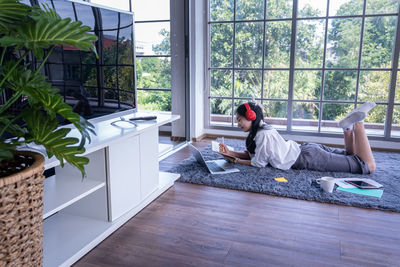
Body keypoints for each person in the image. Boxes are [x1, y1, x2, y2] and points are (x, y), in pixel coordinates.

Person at [219, 101, 376, 174]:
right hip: (306, 151)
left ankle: (358, 123)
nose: (238, 123)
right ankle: (347, 128)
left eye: (239, 119)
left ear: (251, 116)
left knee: (366, 165)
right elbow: (255, 154)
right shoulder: (261, 130)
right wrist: (231, 153)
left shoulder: (262, 135)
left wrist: (236, 161)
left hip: (308, 158)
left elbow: (258, 163)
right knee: (351, 157)